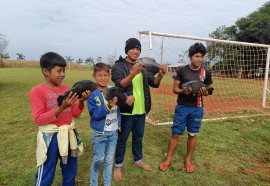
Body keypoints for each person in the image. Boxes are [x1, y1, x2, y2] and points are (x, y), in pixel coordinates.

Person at [29, 52, 91, 186]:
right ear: (45, 71)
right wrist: (61, 108)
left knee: (70, 171)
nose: (62, 74)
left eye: (64, 71)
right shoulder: (37, 91)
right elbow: (39, 119)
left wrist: (81, 102)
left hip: (69, 137)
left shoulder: (68, 89)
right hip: (50, 139)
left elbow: (75, 114)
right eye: (59, 71)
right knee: (46, 171)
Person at [111, 38, 168, 181]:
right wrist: (132, 73)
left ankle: (138, 160)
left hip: (141, 110)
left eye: (138, 49)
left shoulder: (142, 66)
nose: (135, 51)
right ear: (127, 50)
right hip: (126, 110)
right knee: (122, 139)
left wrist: (160, 74)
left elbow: (153, 83)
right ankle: (118, 165)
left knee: (138, 138)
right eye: (132, 48)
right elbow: (120, 84)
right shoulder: (119, 66)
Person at [159, 43, 213, 173]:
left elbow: (210, 89)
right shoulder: (181, 70)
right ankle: (168, 159)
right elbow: (175, 89)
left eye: (202, 57)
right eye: (197, 56)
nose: (199, 59)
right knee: (176, 133)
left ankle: (188, 160)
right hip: (182, 107)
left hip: (197, 108)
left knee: (192, 134)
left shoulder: (205, 72)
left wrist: (206, 92)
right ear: (190, 57)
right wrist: (183, 91)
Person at [87, 63, 120, 186]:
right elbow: (94, 115)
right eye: (99, 75)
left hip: (113, 133)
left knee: (109, 160)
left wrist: (129, 97)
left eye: (106, 75)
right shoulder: (92, 94)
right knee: (98, 160)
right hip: (99, 134)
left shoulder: (113, 90)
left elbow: (123, 96)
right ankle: (93, 183)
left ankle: (107, 183)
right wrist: (108, 106)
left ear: (109, 76)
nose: (103, 78)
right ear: (94, 76)